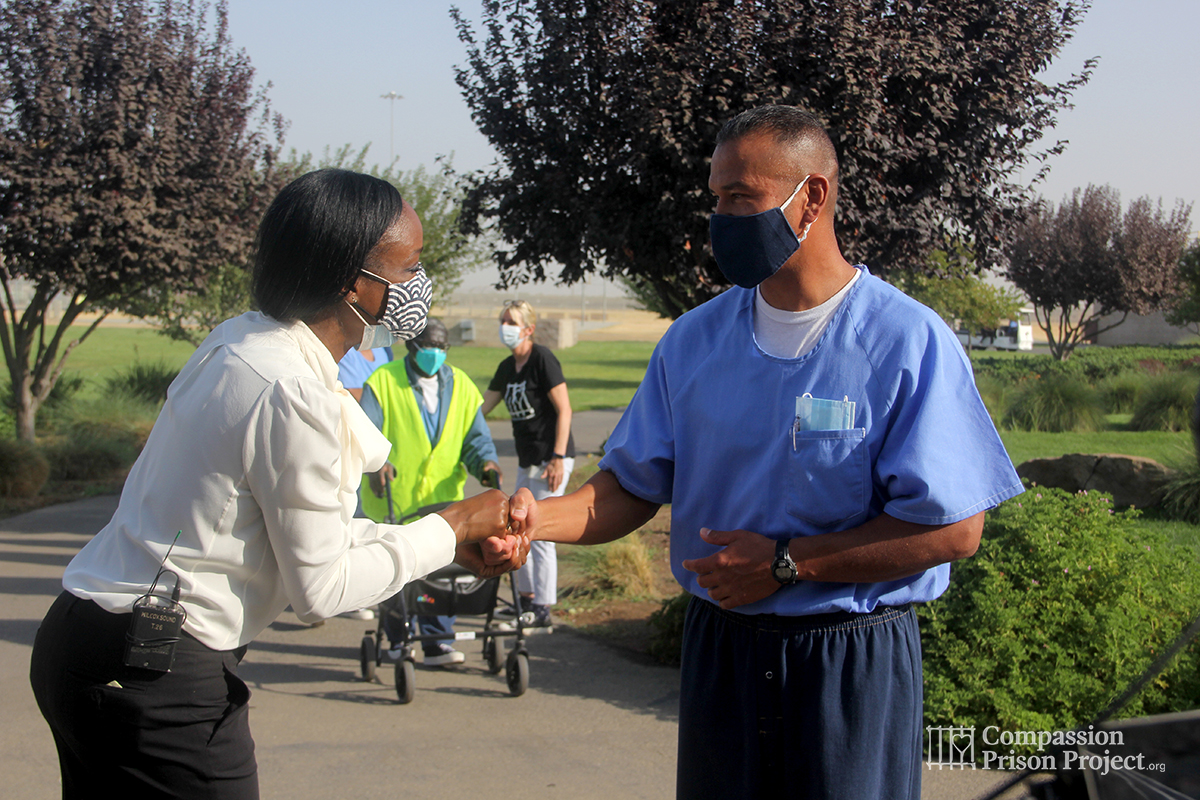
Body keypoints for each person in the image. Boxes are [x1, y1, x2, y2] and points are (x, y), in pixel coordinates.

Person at [517, 106, 1024, 799]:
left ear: (811, 197)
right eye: (716, 198)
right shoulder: (693, 343)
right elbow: (632, 485)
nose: (720, 219)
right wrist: (532, 522)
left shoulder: (905, 341)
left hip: (848, 658)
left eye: (740, 198)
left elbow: (955, 528)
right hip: (721, 654)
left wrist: (788, 565)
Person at [29, 169, 528, 799]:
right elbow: (321, 588)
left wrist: (438, 543)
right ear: (352, 281)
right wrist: (450, 526)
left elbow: (309, 528)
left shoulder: (241, 341)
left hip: (87, 643)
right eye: (408, 267)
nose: (417, 286)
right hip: (154, 675)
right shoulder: (292, 394)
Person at [360, 317, 503, 665]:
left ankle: (437, 641)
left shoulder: (463, 387)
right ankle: (397, 639)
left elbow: (476, 438)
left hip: (442, 503)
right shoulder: (382, 382)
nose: (435, 353)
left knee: (441, 570)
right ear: (411, 345)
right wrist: (378, 464)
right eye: (429, 346)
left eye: (442, 347)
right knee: (395, 573)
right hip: (396, 501)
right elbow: (366, 434)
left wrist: (486, 463)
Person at [481, 300, 574, 627]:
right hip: (528, 459)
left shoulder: (542, 359)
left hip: (551, 460)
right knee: (517, 528)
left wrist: (558, 458)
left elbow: (564, 409)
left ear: (528, 329)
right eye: (502, 320)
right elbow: (482, 410)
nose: (505, 326)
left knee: (541, 532)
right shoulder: (507, 367)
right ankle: (525, 600)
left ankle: (544, 607)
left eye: (511, 321)